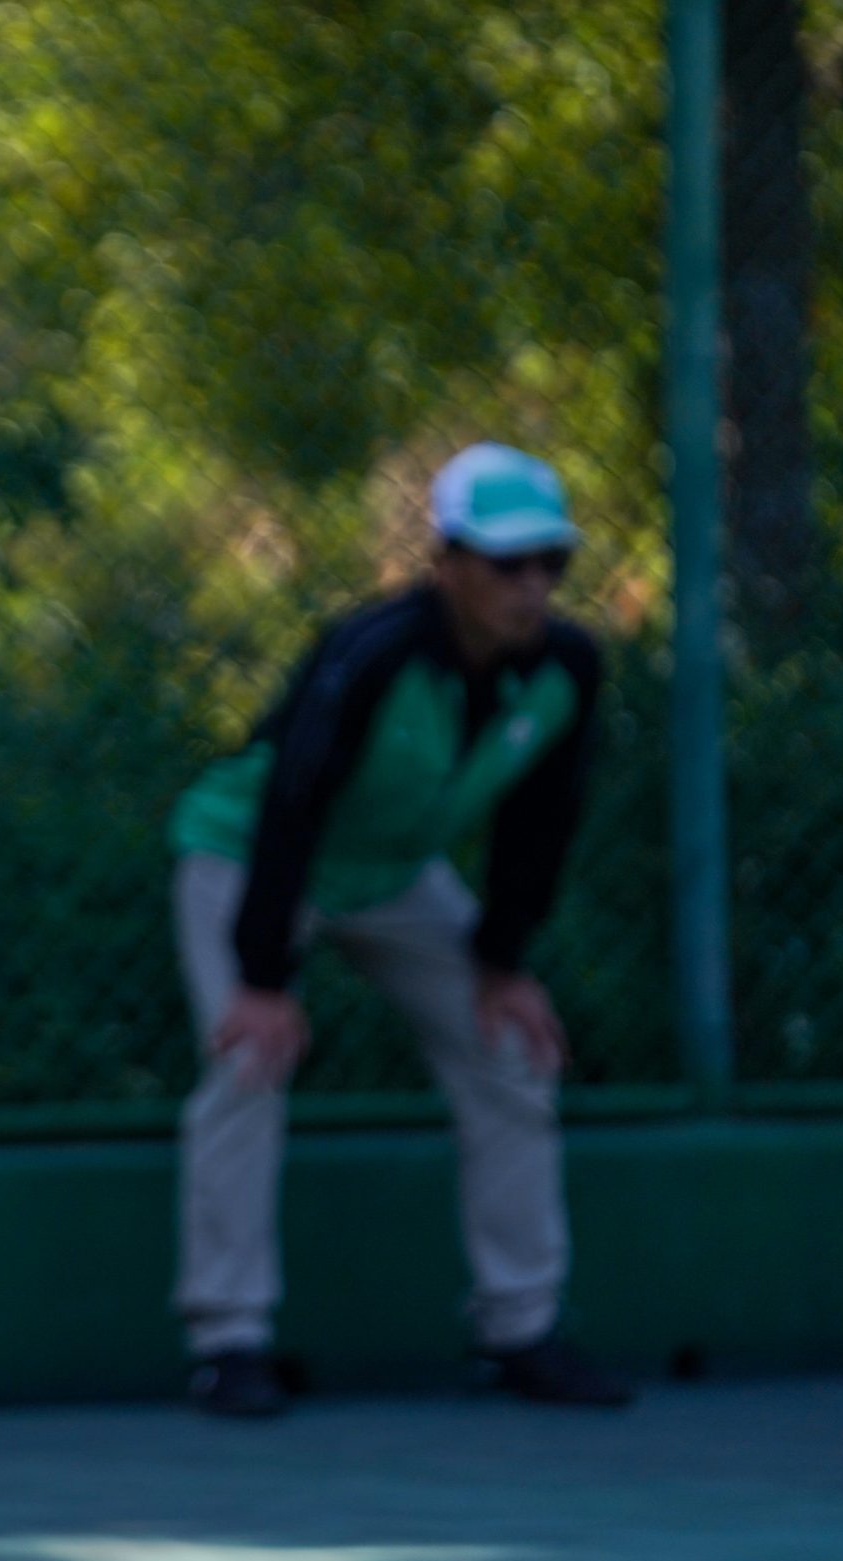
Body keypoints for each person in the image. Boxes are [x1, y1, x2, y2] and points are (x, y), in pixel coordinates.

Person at [166, 443, 634, 1418]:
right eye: (507, 564)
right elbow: (290, 800)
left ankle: (520, 1328)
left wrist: (499, 964)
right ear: (447, 564)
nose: (531, 585)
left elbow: (539, 822)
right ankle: (228, 1342)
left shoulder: (566, 669)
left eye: (549, 563)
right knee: (246, 1062)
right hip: (246, 860)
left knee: (511, 1052)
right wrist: (261, 978)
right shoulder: (371, 652)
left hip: (391, 879)